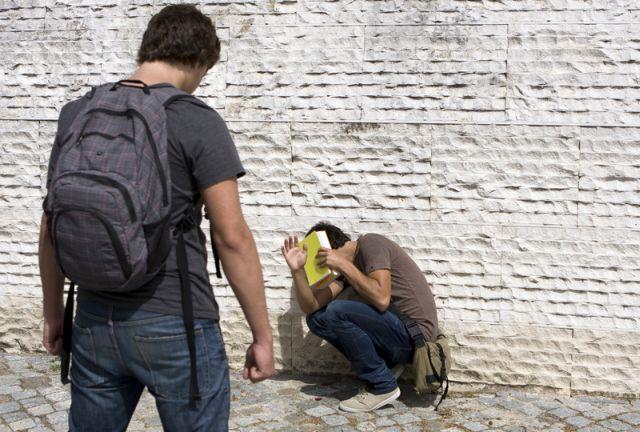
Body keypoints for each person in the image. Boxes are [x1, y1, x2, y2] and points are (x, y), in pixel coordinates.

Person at [38, 5, 274, 431]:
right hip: (176, 321)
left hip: (92, 320)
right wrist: (262, 336)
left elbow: (50, 226)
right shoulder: (194, 118)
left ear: (147, 48)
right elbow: (232, 236)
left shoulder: (77, 113)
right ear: (200, 60)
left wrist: (54, 315)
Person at [281, 222, 438, 412]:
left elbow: (381, 299)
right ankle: (386, 367)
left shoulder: (371, 244)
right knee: (317, 319)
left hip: (417, 338)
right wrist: (297, 272)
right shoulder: (348, 271)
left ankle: (382, 385)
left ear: (327, 249)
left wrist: (342, 264)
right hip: (399, 336)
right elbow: (311, 306)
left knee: (337, 310)